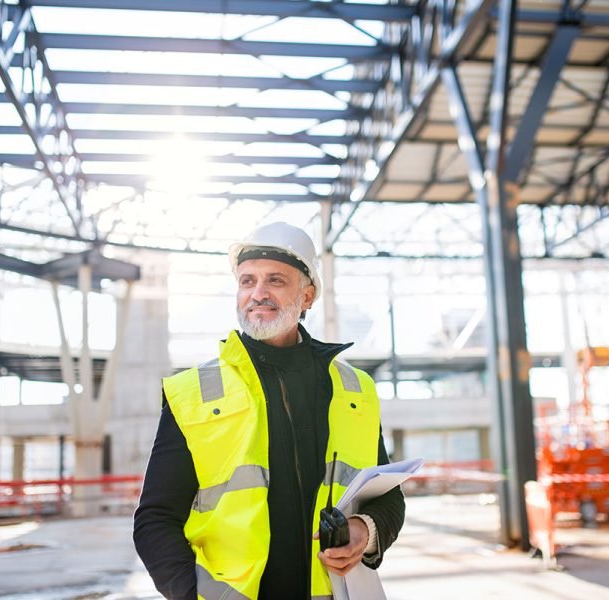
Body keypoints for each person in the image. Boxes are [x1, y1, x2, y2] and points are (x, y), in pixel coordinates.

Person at [133, 222, 405, 600]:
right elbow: (155, 520)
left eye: (275, 280)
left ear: (307, 296)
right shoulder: (192, 393)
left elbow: (388, 498)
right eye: (247, 281)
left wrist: (365, 529)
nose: (257, 294)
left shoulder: (354, 390)